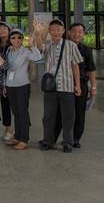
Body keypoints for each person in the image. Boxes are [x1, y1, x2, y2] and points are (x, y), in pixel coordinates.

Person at [35, 19, 83, 153]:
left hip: (67, 87)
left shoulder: (70, 45)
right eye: (53, 30)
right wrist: (37, 33)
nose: (56, 32)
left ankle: (67, 142)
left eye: (58, 29)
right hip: (50, 88)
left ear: (63, 31)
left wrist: (77, 85)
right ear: (49, 32)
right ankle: (48, 141)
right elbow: (39, 48)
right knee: (48, 116)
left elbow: (75, 66)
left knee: (68, 117)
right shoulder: (47, 45)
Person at [53, 23, 97, 148]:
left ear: (83, 34)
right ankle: (52, 138)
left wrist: (93, 87)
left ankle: (75, 138)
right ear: (68, 32)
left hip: (81, 85)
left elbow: (91, 70)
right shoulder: (61, 46)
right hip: (63, 85)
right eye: (74, 31)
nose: (77, 34)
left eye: (80, 31)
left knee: (79, 112)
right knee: (59, 112)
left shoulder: (86, 50)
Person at [4, 28, 41, 150]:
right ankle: (17, 136)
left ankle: (24, 139)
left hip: (22, 86)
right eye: (13, 38)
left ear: (22, 39)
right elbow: (6, 69)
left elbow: (37, 57)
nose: (16, 40)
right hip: (10, 85)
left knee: (22, 112)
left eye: (19, 37)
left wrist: (32, 45)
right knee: (15, 112)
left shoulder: (25, 51)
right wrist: (4, 85)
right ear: (10, 40)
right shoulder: (8, 51)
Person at [0, 21, 14, 141]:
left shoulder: (13, 45)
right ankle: (8, 129)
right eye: (0, 29)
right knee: (5, 105)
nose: (2, 30)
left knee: (17, 106)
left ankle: (20, 130)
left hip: (12, 79)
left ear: (9, 31)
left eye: (4, 28)